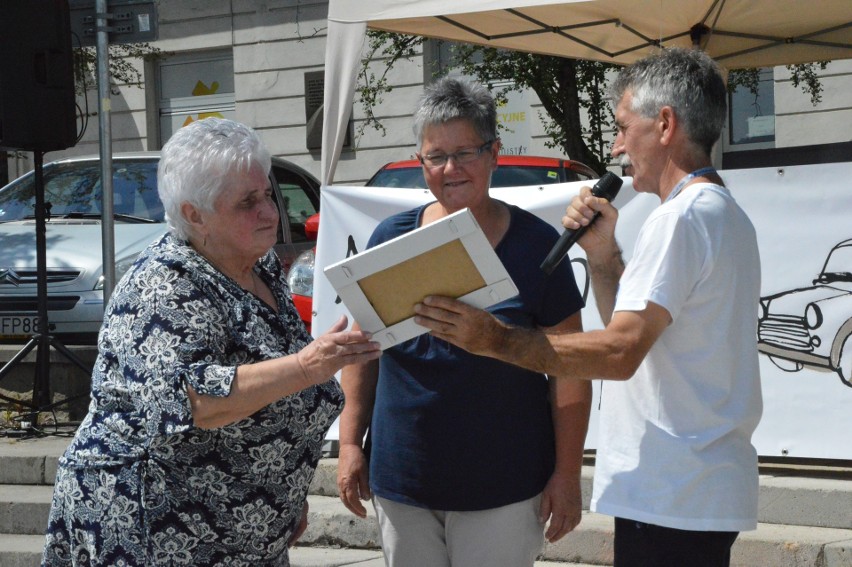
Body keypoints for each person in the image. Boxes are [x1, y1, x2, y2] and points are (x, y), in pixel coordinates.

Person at [413, 48, 763, 567]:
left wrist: (496, 339)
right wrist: (601, 255)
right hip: (693, 489)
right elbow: (641, 332)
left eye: (623, 126)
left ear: (665, 124)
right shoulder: (720, 210)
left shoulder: (682, 220)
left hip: (672, 491)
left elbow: (620, 353)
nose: (617, 145)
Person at [42, 117, 381, 566]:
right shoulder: (164, 283)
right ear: (194, 214)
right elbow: (195, 399)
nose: (269, 212)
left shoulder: (256, 269)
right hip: (156, 525)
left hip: (237, 528)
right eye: (246, 202)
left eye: (267, 195)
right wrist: (307, 365)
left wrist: (285, 493)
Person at [336, 77, 592, 567]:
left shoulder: (539, 246)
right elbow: (363, 348)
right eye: (435, 156)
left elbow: (571, 369)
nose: (450, 169)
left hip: (506, 486)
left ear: (494, 153)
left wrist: (566, 474)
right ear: (421, 162)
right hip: (403, 483)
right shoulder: (390, 239)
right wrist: (349, 444)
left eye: (466, 153)